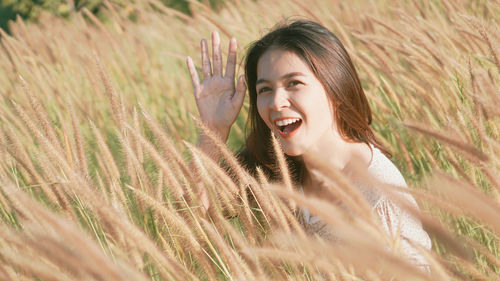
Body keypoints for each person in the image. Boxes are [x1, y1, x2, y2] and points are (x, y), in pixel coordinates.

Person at [185, 20, 431, 272]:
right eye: (265, 89)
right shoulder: (266, 171)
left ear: (335, 89)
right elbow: (183, 224)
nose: (277, 102)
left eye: (294, 83)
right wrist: (213, 131)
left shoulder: (381, 194)